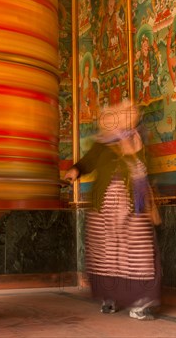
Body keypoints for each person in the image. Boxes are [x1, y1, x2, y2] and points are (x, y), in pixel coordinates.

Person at [64, 100, 161, 320]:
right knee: (106, 253)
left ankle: (140, 302)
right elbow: (88, 161)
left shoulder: (137, 139)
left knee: (136, 252)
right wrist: (76, 169)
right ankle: (110, 298)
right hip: (104, 209)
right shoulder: (102, 144)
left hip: (133, 206)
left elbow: (143, 169)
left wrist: (130, 152)